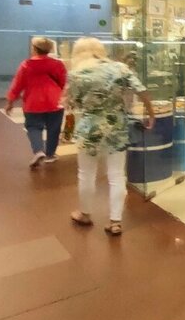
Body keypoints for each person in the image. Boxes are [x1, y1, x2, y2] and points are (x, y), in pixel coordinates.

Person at [66, 37, 154, 237]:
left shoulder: (76, 74)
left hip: (89, 128)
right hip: (117, 127)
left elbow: (74, 103)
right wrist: (151, 114)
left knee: (86, 173)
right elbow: (142, 91)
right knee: (116, 175)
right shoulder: (120, 68)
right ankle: (115, 222)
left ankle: (85, 214)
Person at [5, 36, 67, 169]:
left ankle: (39, 151)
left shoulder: (26, 65)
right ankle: (50, 154)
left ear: (34, 49)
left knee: (33, 127)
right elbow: (63, 82)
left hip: (33, 102)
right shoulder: (58, 64)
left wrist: (10, 101)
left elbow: (17, 85)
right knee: (54, 128)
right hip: (55, 102)